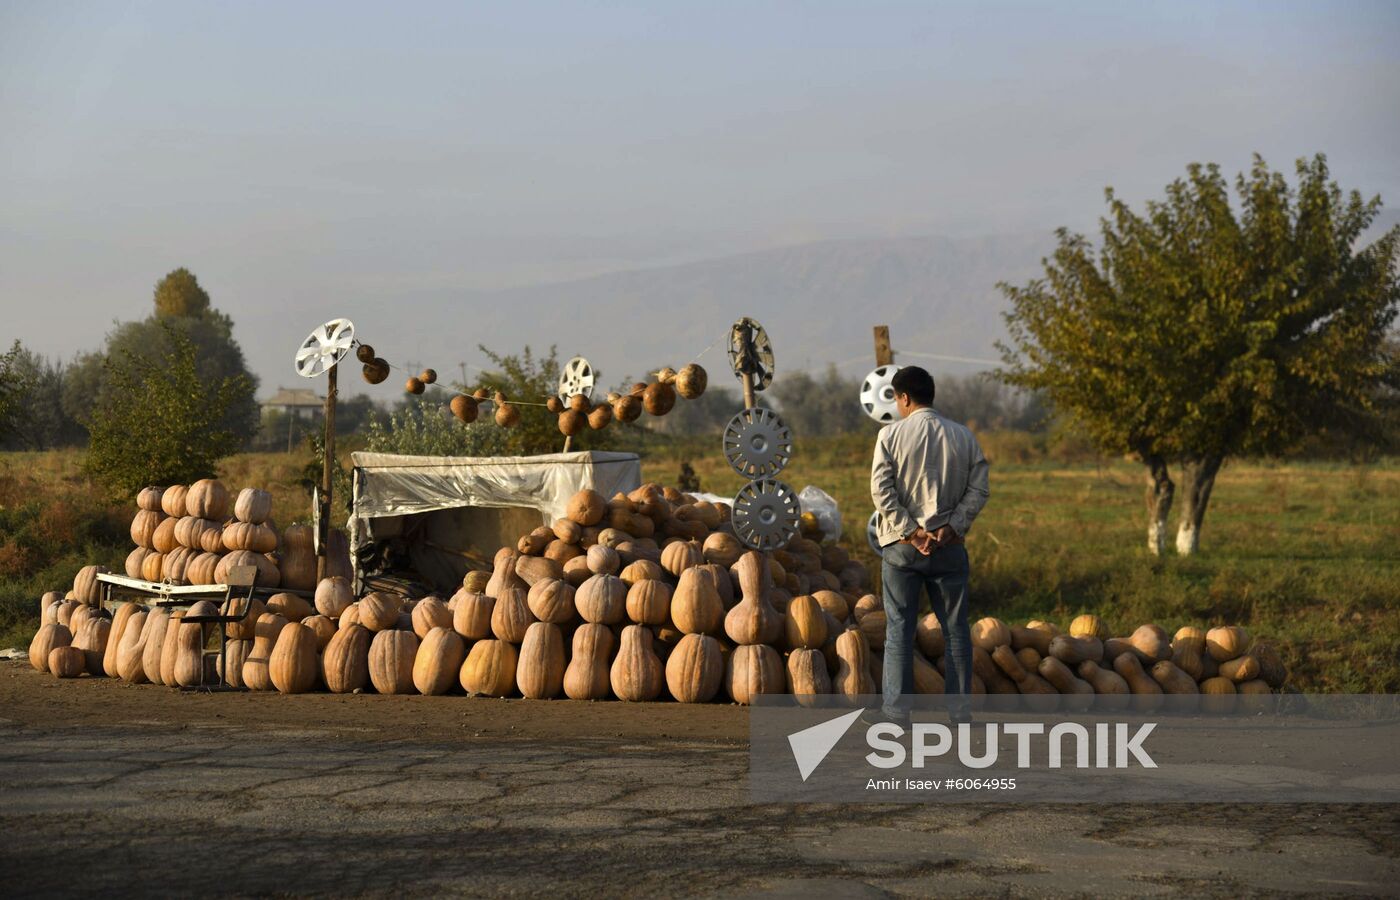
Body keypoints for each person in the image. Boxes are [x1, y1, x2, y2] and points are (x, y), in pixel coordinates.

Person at [868, 366, 989, 725]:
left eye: (897, 399)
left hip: (904, 551)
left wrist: (910, 532)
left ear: (904, 398)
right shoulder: (964, 437)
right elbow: (979, 489)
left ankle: (896, 713)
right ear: (931, 394)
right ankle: (959, 712)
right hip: (949, 548)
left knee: (899, 631)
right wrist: (953, 526)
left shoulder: (889, 436)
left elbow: (881, 491)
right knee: (955, 631)